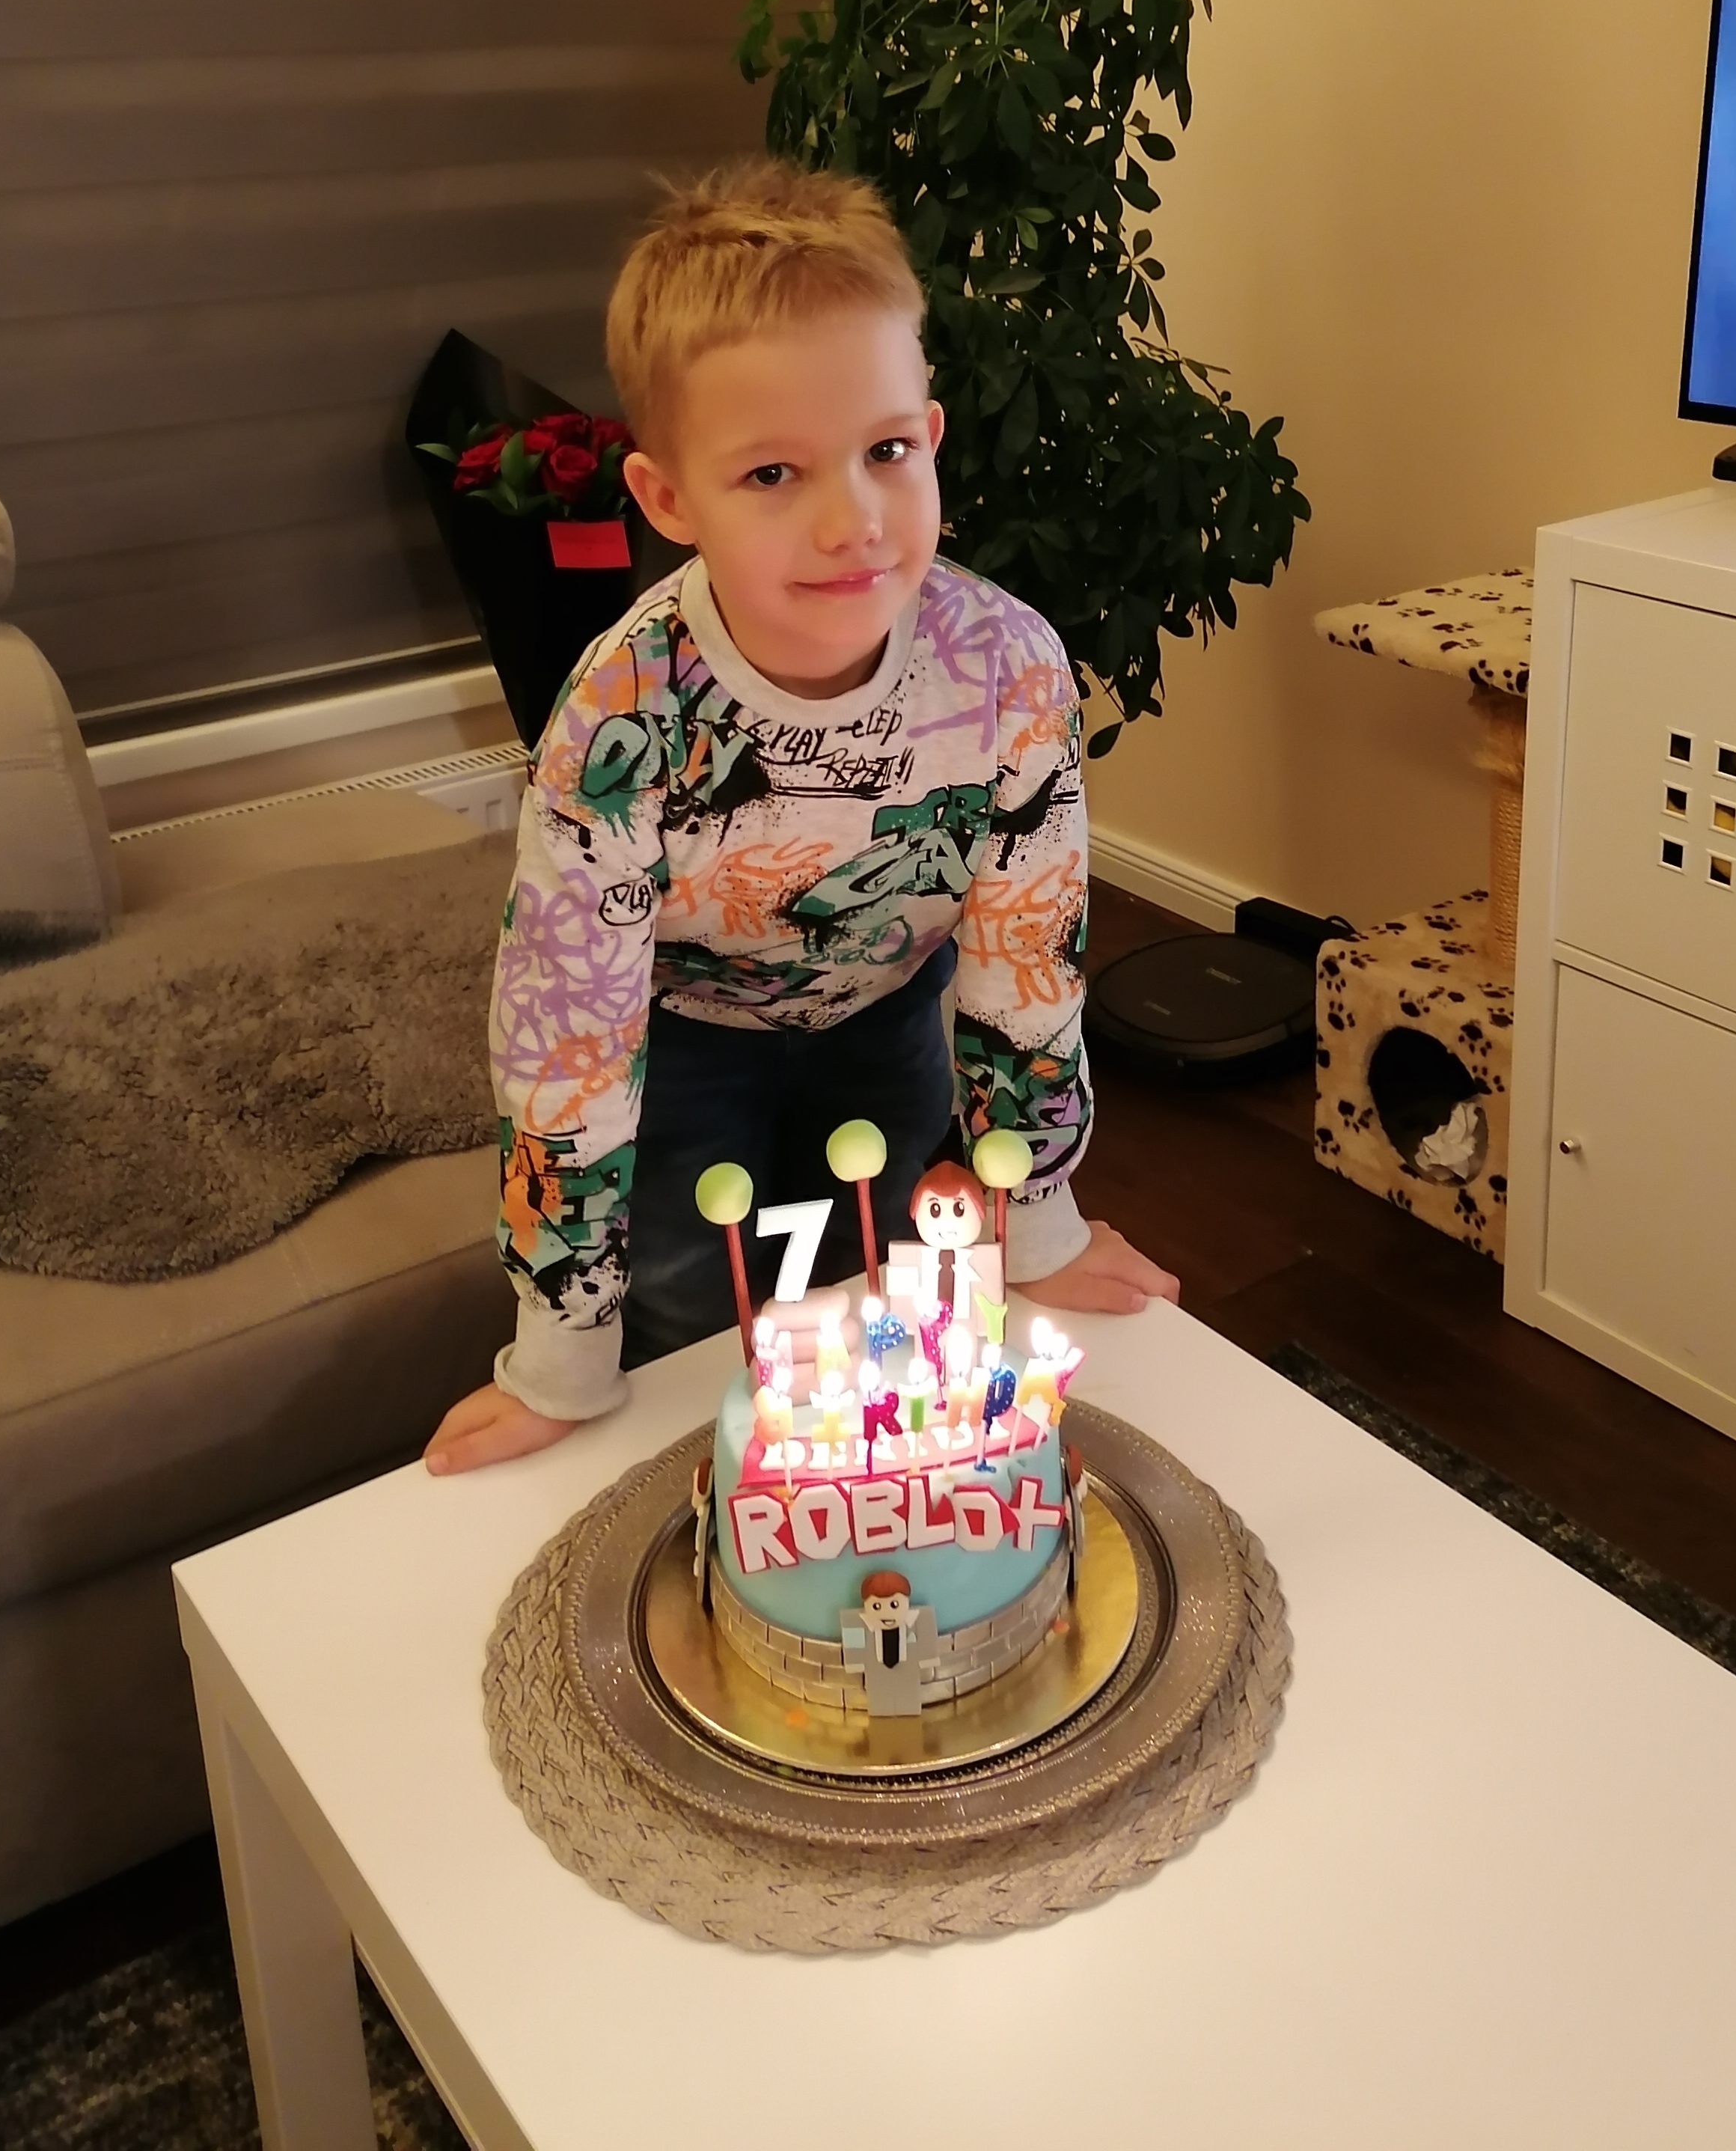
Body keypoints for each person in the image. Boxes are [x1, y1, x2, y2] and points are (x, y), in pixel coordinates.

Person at [425, 159, 1177, 1474]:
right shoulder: (618, 717)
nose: (853, 522)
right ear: (669, 501)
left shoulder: (1011, 671)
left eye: (885, 452)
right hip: (677, 1038)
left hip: (888, 1011)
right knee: (690, 1314)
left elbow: (1026, 965)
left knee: (877, 1302)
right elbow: (565, 1040)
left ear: (929, 436)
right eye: (772, 473)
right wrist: (560, 1356)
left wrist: (1043, 1222)